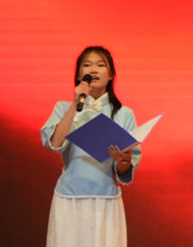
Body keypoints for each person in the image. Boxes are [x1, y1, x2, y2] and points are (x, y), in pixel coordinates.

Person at [41, 46, 142, 247]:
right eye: (87, 65)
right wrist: (75, 103)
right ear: (79, 75)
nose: (93, 69)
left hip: (106, 200)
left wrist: (122, 161)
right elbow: (54, 143)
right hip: (68, 198)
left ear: (111, 75)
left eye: (100, 65)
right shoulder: (63, 108)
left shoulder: (124, 114)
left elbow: (125, 170)